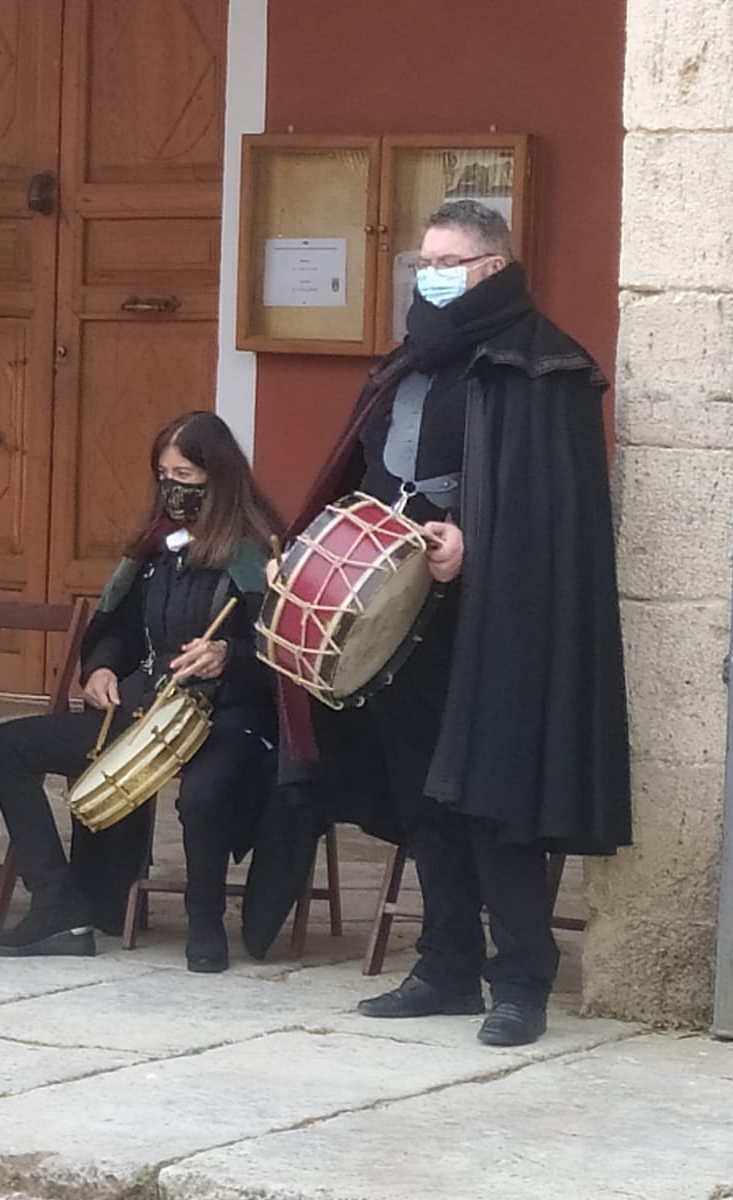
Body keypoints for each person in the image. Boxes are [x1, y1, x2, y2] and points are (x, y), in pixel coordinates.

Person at [277, 200, 631, 1046]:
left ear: (495, 267)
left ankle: (519, 980)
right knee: (422, 794)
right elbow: (366, 472)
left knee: (489, 799)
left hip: (497, 625)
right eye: (422, 261)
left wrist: (475, 536)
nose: (430, 275)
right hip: (399, 618)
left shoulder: (541, 370)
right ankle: (443, 966)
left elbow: (548, 512)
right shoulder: (407, 364)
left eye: (449, 262)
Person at [0, 412, 284, 972]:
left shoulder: (257, 551)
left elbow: (287, 653)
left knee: (202, 794)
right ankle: (58, 903)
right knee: (7, 747)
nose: (173, 488)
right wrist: (99, 667)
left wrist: (227, 655)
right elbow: (119, 629)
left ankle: (205, 920)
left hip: (229, 714)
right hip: (147, 703)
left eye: (186, 475)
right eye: (164, 474)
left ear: (217, 477)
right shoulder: (153, 550)